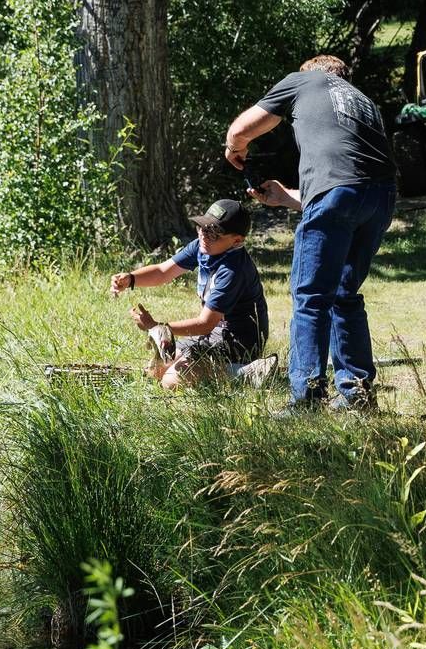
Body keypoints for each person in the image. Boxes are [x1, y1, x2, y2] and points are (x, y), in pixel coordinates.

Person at [225, 55, 397, 411]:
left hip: (340, 195)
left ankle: (306, 397)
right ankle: (357, 394)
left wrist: (235, 149)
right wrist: (286, 196)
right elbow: (351, 183)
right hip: (381, 198)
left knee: (310, 297)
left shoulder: (305, 80)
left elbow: (240, 130)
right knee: (344, 292)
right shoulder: (363, 104)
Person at [110, 198, 273, 390]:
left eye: (214, 233)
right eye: (202, 227)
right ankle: (233, 370)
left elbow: (205, 324)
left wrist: (159, 327)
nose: (204, 235)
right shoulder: (203, 247)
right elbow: (163, 271)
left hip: (240, 342)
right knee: (156, 370)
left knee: (171, 381)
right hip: (215, 334)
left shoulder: (232, 270)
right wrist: (131, 278)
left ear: (236, 240)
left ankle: (246, 372)